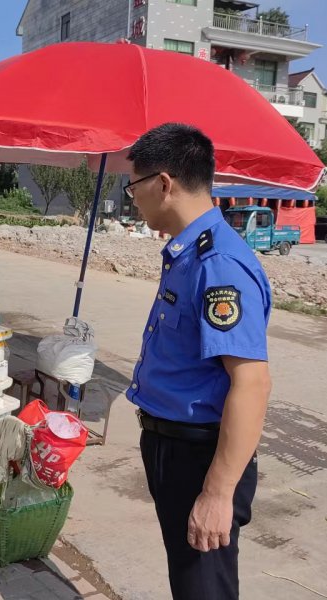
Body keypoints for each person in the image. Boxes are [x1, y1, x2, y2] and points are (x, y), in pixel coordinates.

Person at [124, 123, 272, 599]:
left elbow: (251, 383)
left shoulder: (218, 264)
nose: (132, 199)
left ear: (163, 183)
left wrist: (217, 493)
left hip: (199, 456)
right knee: (189, 581)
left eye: (133, 186)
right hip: (172, 445)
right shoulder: (189, 253)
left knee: (203, 588)